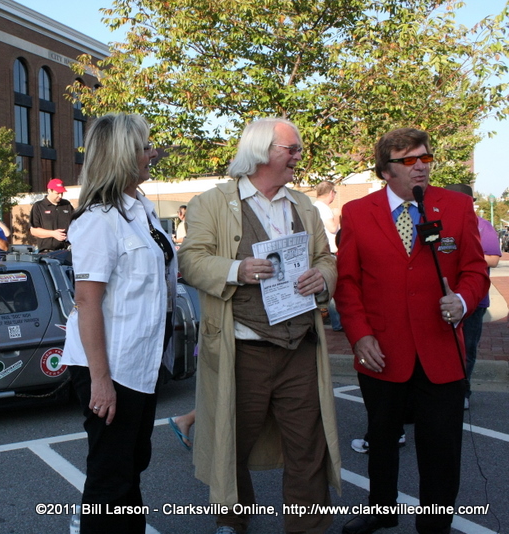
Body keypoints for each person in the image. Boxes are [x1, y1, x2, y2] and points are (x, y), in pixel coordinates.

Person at [177, 117, 340, 534]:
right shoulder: (211, 203)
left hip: (300, 347)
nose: (299, 156)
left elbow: (326, 258)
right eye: (292, 149)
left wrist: (323, 277)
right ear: (262, 151)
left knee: (308, 448)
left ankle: (307, 529)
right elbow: (190, 261)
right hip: (242, 349)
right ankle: (232, 522)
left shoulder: (303, 205)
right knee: (231, 443)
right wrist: (237, 270)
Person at [335, 128, 489, 534]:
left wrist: (462, 301)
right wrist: (359, 334)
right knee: (381, 440)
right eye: (408, 160)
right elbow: (347, 282)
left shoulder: (456, 205)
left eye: (425, 157)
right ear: (386, 170)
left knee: (441, 450)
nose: (420, 166)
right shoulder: (357, 213)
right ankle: (381, 510)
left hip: (441, 349)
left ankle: (434, 525)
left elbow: (475, 269)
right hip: (381, 350)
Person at [60, 113, 177, 534]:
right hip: (110, 367)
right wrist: (101, 381)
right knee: (110, 477)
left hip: (140, 364)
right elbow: (87, 301)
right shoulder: (98, 219)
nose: (152, 153)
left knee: (131, 465)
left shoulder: (142, 211)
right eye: (145, 147)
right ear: (123, 155)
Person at [444, 183, 501, 410]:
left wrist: (465, 254)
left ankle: (462, 392)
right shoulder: (436, 224)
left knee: (466, 349)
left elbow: (493, 259)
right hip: (441, 300)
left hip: (473, 302)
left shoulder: (483, 226)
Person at [313, 180, 343, 331]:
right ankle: (337, 322)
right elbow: (332, 228)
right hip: (328, 252)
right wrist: (337, 215)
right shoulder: (323, 209)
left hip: (322, 251)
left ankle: (336, 321)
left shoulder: (314, 207)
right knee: (332, 285)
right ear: (331, 193)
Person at [30, 178, 74, 252]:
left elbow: (75, 225)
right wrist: (53, 234)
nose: (60, 196)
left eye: (62, 193)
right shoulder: (38, 206)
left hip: (67, 251)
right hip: (47, 253)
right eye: (57, 193)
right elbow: (33, 231)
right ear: (49, 191)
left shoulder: (67, 205)